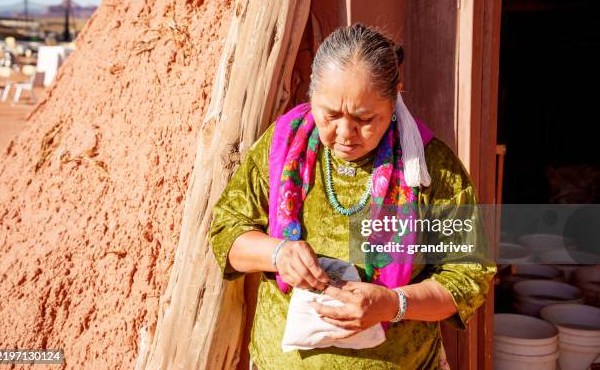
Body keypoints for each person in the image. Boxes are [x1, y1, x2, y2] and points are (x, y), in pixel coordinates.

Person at [209, 23, 496, 369]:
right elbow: (226, 231)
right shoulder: (284, 147)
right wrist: (278, 253)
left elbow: (469, 274)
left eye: (364, 119)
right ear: (312, 96)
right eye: (330, 115)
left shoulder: (430, 167)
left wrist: (394, 304)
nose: (345, 133)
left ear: (395, 99)